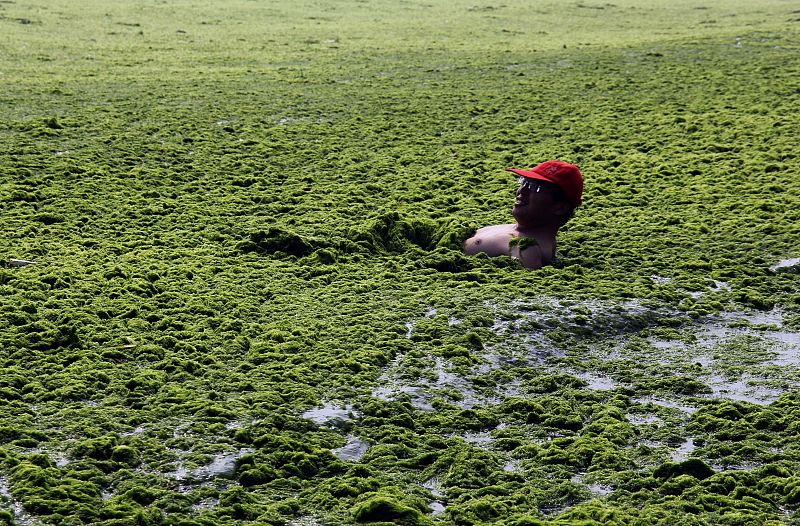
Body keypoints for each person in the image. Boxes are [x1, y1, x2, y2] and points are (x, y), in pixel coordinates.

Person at [463, 160, 583, 269]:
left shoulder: (528, 249)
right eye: (524, 181)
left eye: (535, 187)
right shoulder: (519, 233)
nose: (522, 190)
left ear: (560, 208)